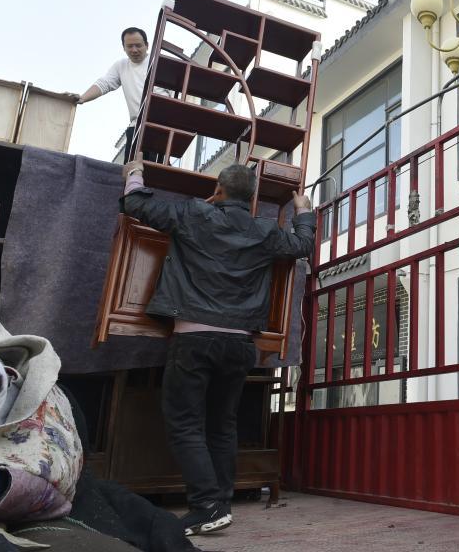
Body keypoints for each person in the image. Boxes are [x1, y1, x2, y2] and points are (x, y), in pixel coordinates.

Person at [119, 159, 315, 536]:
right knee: (222, 425)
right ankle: (219, 504)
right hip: (240, 344)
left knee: (185, 423)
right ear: (252, 197)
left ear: (219, 190)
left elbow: (136, 204)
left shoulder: (194, 214)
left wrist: (134, 173)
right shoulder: (264, 230)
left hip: (194, 339)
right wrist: (303, 211)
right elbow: (302, 244)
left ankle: (207, 504)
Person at [78, 27, 151, 157]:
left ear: (147, 45)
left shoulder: (158, 60)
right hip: (136, 126)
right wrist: (82, 98)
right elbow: (105, 83)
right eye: (130, 46)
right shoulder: (121, 66)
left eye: (138, 45)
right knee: (131, 167)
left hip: (159, 123)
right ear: (124, 48)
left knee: (157, 165)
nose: (134, 50)